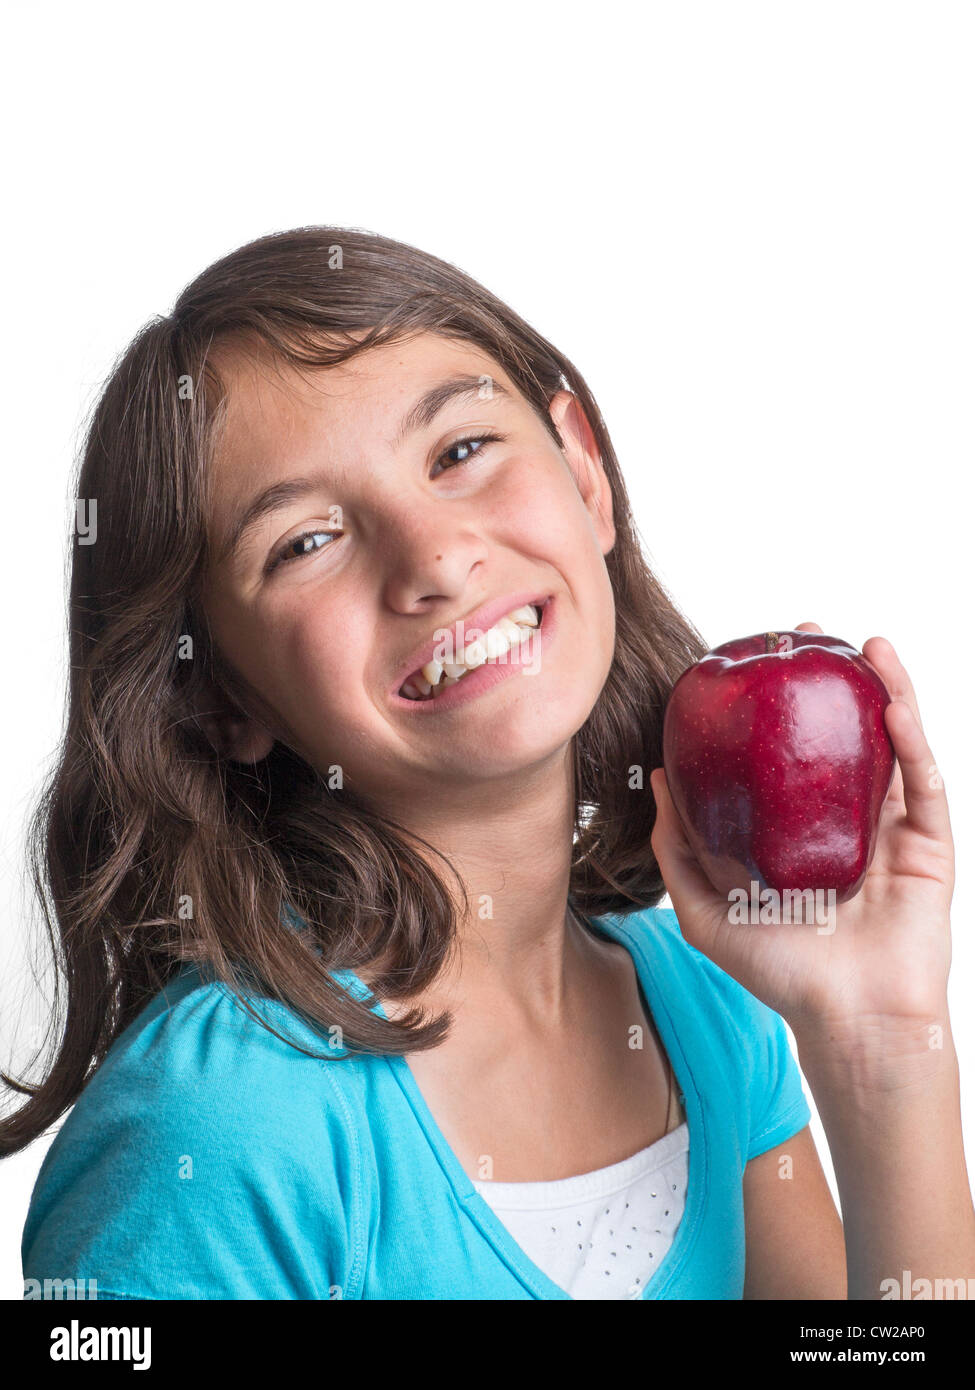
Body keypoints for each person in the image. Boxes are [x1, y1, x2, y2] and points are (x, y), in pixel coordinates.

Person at [6, 228, 971, 1299]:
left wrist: (884, 1041)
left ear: (584, 470)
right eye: (305, 541)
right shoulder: (214, 1131)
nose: (435, 556)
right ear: (217, 694)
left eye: (461, 451)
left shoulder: (714, 1003)